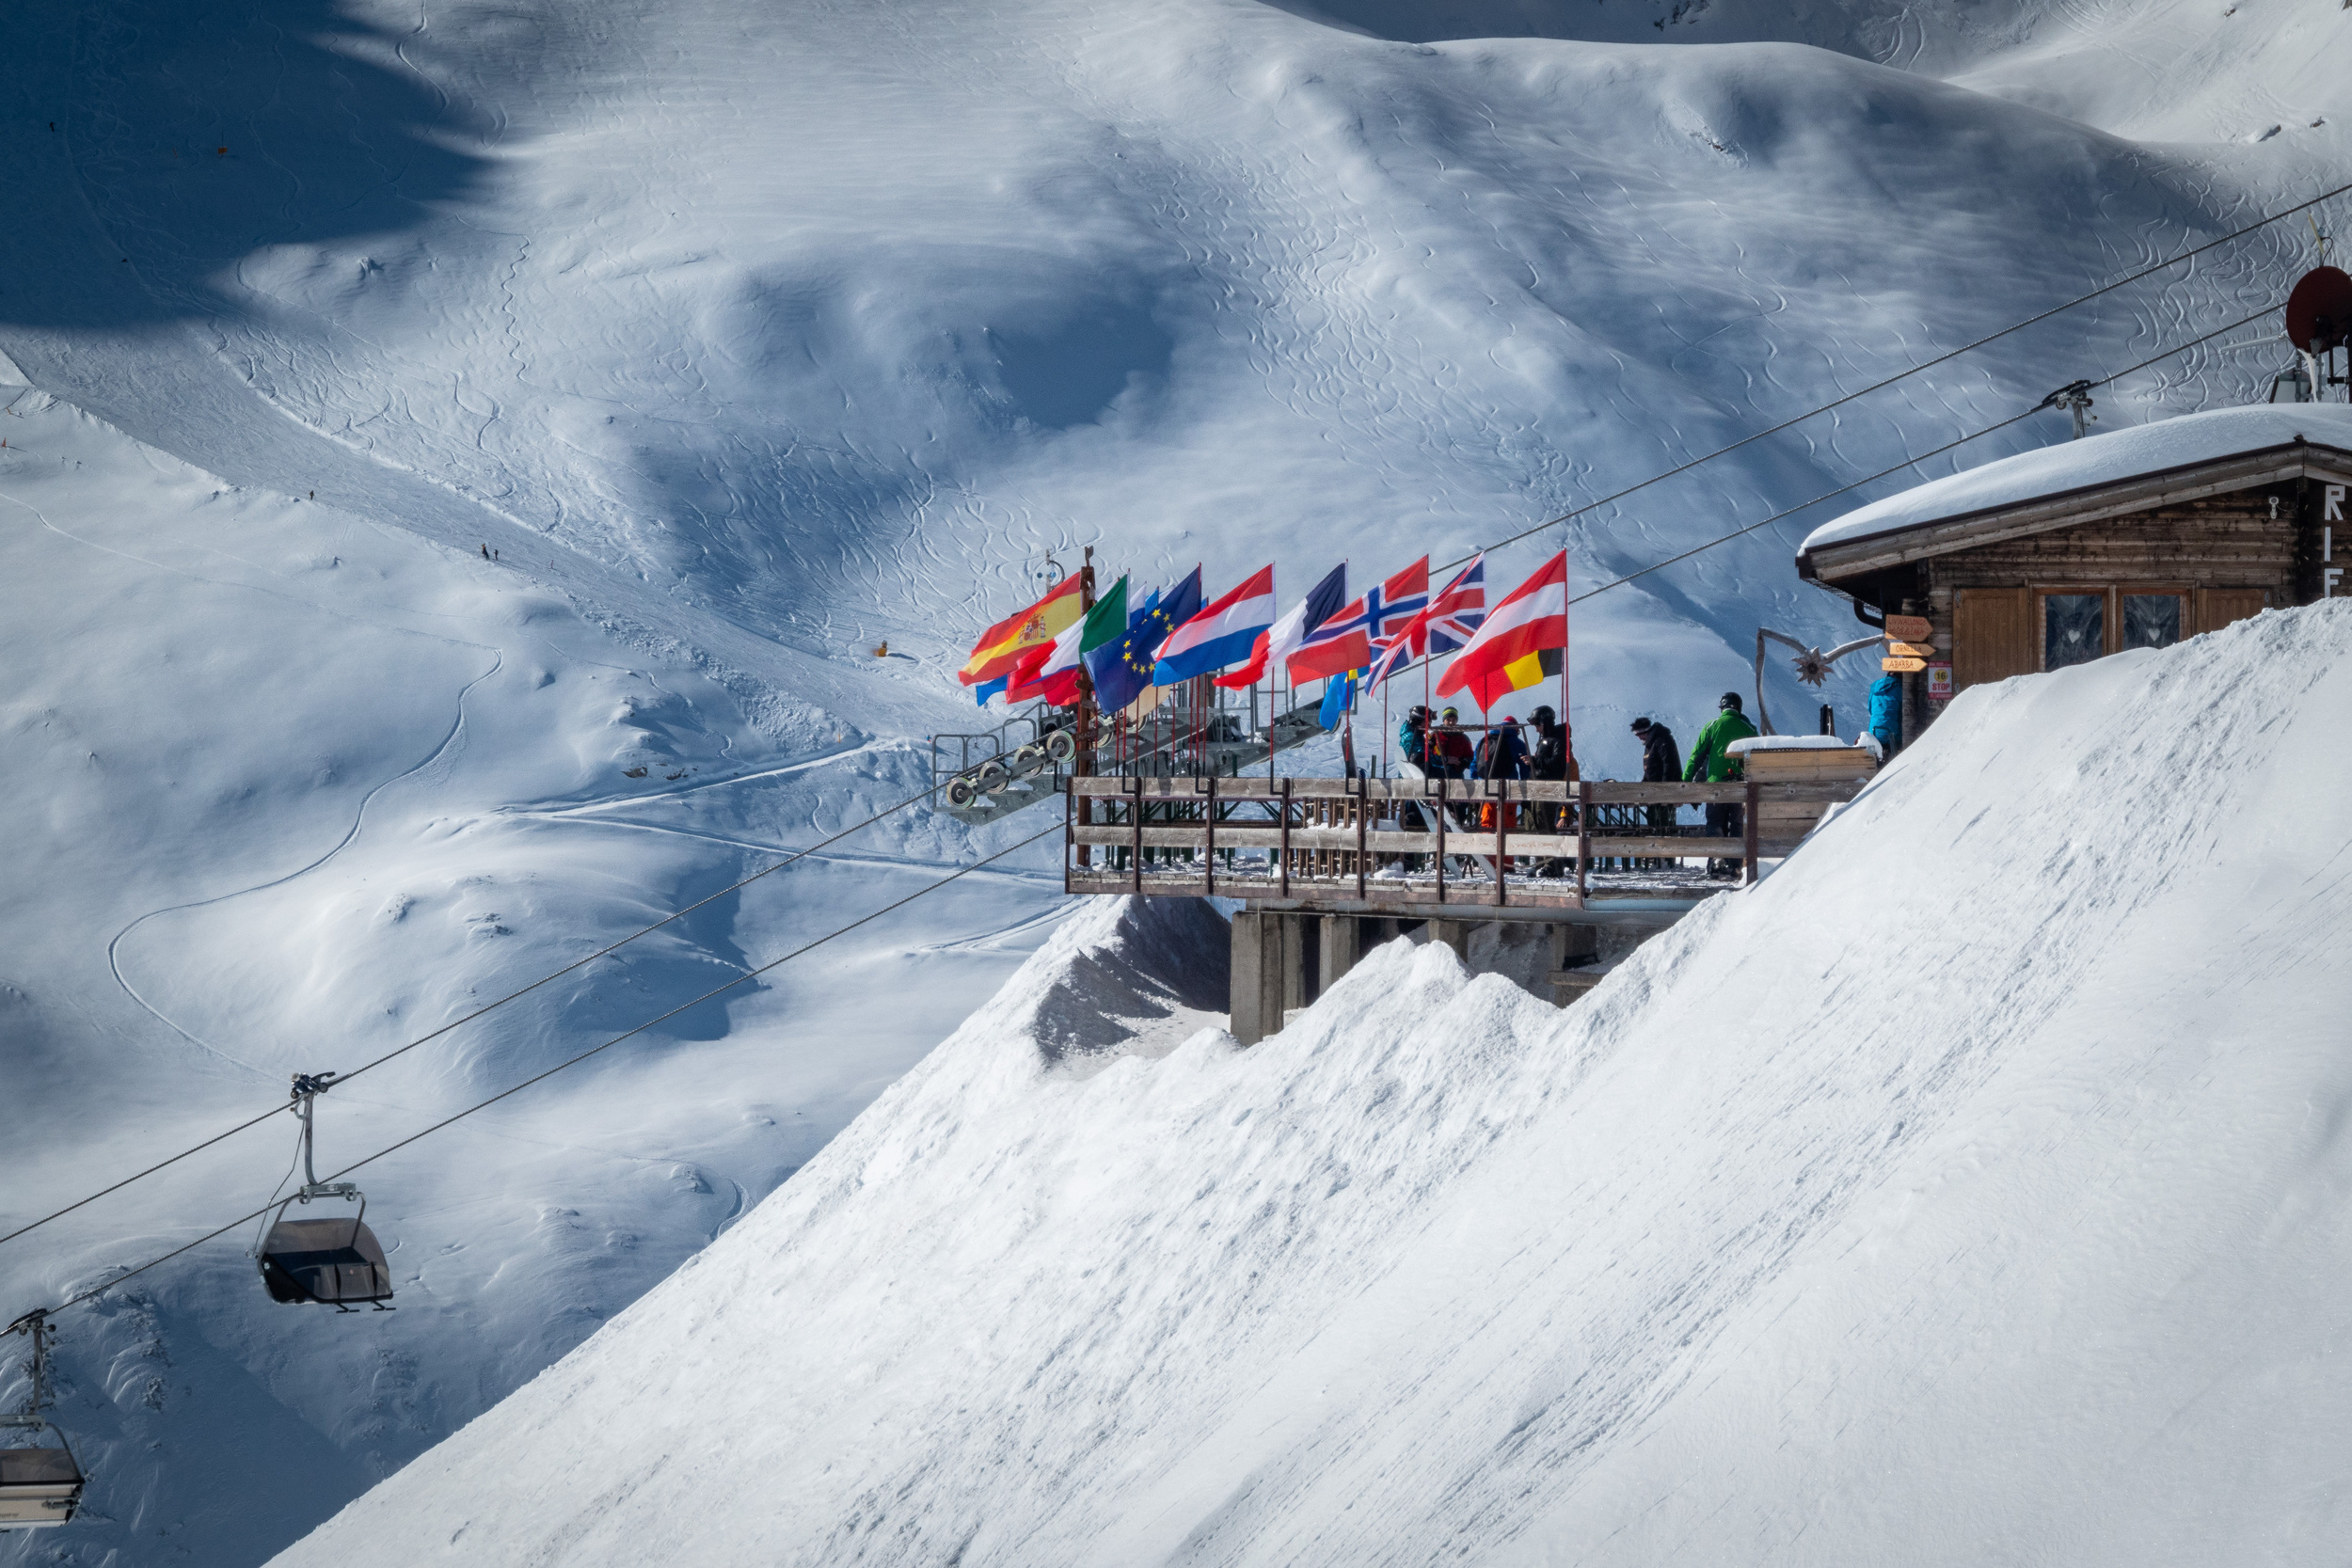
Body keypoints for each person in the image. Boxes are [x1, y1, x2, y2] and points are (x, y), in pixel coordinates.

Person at [1684, 691, 1759, 878]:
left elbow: (1697, 756)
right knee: (1735, 823)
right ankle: (1735, 866)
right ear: (1738, 708)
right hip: (1739, 786)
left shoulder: (1712, 726)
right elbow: (1758, 757)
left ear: (1722, 708)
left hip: (1715, 785)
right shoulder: (1748, 727)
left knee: (1715, 823)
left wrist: (1685, 782)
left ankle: (1717, 861)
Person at [1630, 716, 1679, 869]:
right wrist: (1643, 788)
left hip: (1663, 793)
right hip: (1653, 793)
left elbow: (1668, 765)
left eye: (1639, 735)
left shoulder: (1662, 740)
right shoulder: (1650, 745)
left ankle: (1664, 856)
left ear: (1645, 732)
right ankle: (1656, 855)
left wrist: (1665, 789)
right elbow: (1651, 770)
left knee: (1664, 824)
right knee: (1653, 822)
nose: (1639, 739)